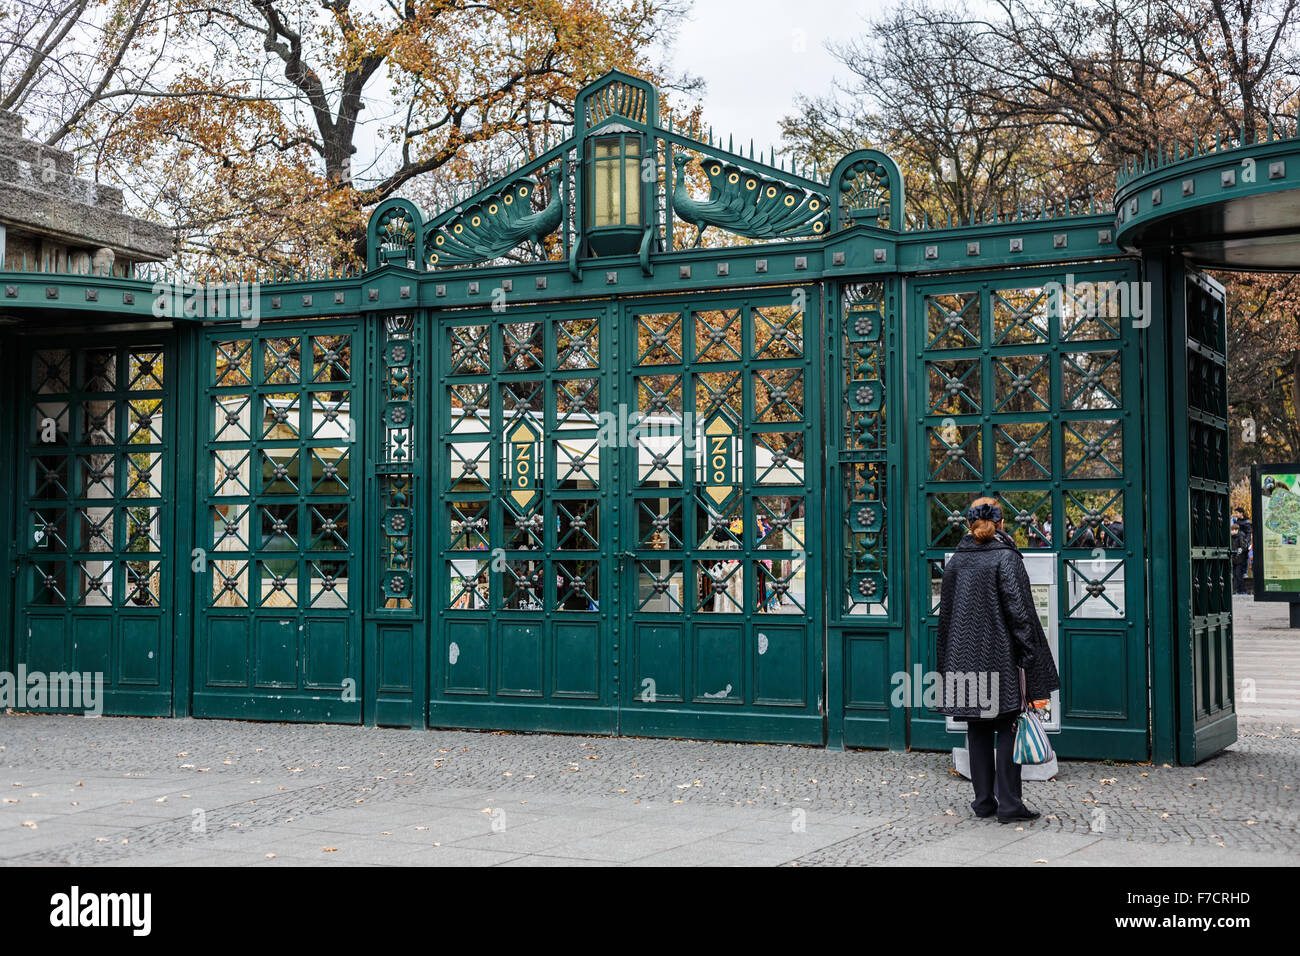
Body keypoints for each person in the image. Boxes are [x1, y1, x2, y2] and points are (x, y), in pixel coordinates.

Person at [935, 496, 1061, 823]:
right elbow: (1020, 616)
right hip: (1001, 660)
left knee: (977, 730)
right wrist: (1029, 660)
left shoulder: (956, 562)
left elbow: (945, 619)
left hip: (964, 660)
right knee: (1006, 728)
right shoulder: (1006, 557)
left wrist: (946, 666)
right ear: (1002, 523)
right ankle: (1009, 804)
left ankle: (983, 803)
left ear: (969, 524)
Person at [1232, 506, 1253, 595]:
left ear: (1241, 513)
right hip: (1239, 542)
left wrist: (1247, 542)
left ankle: (1245, 572)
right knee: (1236, 573)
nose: (1236, 514)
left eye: (1237, 513)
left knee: (1244, 560)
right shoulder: (1237, 521)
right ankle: (1238, 589)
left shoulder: (1246, 522)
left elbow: (1249, 533)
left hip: (1243, 542)